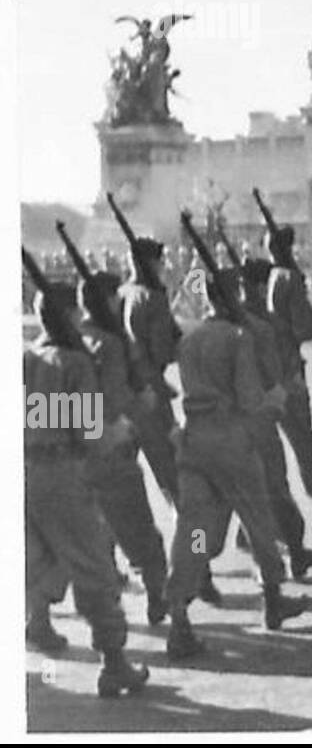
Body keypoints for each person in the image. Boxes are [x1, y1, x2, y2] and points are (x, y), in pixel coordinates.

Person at [164, 268, 308, 659]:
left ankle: (178, 611)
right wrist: (275, 398)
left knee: (193, 528)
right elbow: (248, 398)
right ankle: (271, 595)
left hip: (194, 440)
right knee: (256, 517)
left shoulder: (189, 339)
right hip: (230, 440)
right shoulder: (238, 337)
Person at [25, 283, 151, 697]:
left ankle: (38, 622)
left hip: (24, 471)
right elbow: (89, 430)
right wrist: (120, 431)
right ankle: (113, 661)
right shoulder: (73, 362)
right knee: (92, 565)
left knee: (40, 555)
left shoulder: (26, 357)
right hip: (62, 472)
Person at [78, 271, 170, 627]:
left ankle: (108, 611)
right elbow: (117, 400)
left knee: (96, 537)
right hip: (113, 453)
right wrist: (142, 402)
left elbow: (47, 410)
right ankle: (164, 605)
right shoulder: (110, 344)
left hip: (76, 460)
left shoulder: (59, 347)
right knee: (142, 534)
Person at [237, 256, 312, 581]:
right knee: (272, 489)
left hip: (216, 430)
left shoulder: (204, 335)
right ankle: (288, 561)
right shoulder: (256, 328)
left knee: (206, 522)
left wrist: (80, 441)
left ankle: (195, 582)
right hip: (252, 422)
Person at [266, 224, 312, 514]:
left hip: (264, 376)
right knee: (305, 443)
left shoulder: (262, 278)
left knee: (266, 454)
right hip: (288, 372)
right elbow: (301, 327)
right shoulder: (290, 279)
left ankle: (254, 530)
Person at [118, 235, 181, 502]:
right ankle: (195, 544)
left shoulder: (119, 293)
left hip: (120, 392)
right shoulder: (153, 298)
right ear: (154, 263)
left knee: (118, 486)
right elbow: (163, 350)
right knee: (176, 481)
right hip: (150, 394)